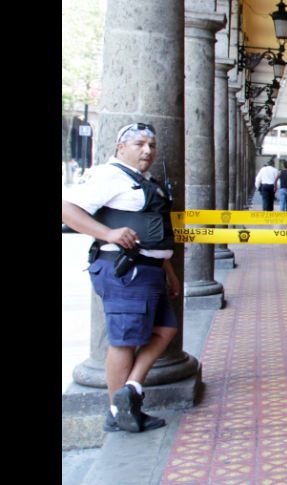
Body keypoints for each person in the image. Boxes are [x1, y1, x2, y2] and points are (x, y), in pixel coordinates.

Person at [61, 122, 181, 433]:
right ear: (120, 147)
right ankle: (118, 413)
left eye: (151, 145)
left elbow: (155, 230)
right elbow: (67, 209)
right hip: (127, 270)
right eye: (139, 144)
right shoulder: (108, 176)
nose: (147, 150)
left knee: (166, 329)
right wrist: (108, 233)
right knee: (125, 341)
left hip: (151, 269)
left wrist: (168, 271)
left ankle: (131, 389)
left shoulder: (145, 181)